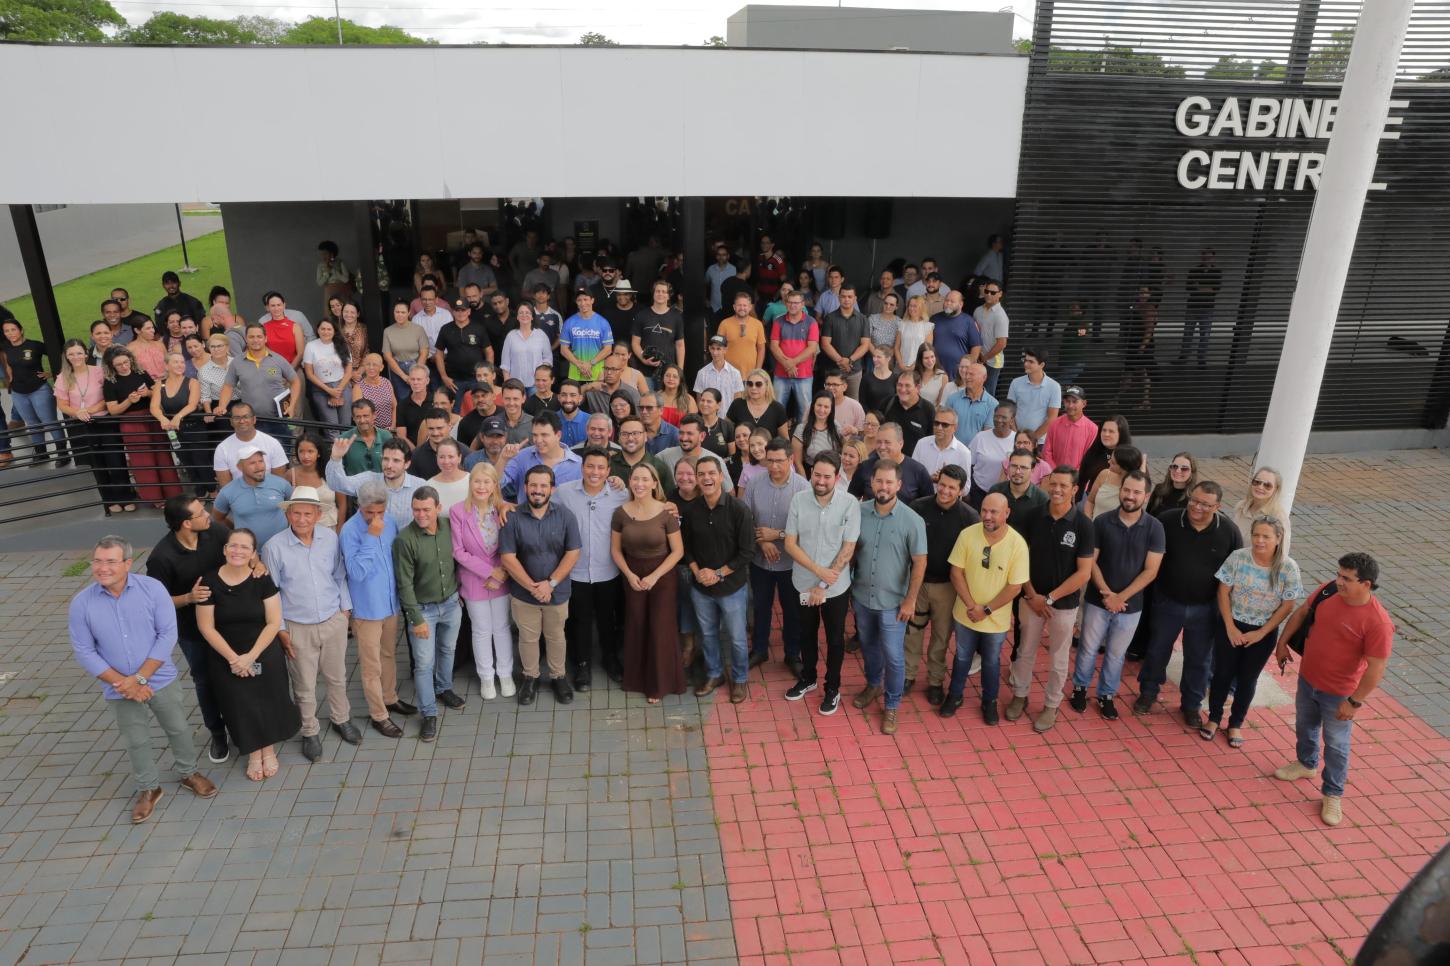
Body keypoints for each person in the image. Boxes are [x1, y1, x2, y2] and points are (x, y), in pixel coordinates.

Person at [69, 535, 218, 823]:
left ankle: (189, 773)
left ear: (127, 563)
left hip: (159, 679)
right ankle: (149, 788)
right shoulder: (81, 604)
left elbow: (167, 635)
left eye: (110, 561)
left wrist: (139, 678)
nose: (102, 568)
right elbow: (84, 651)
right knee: (136, 740)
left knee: (177, 729)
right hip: (119, 688)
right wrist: (124, 683)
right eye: (97, 561)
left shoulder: (152, 590)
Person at [1272, 552, 1394, 827]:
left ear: (1366, 584)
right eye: (1339, 575)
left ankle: (1333, 793)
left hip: (1340, 693)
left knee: (1337, 746)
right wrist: (1282, 643)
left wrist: (1354, 702)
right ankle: (1306, 764)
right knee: (1305, 725)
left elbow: (1376, 668)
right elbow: (1303, 611)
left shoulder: (1378, 623)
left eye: (1346, 578)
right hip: (1308, 680)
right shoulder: (1328, 591)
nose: (1338, 581)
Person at [194, 527, 301, 781]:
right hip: (226, 657)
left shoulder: (261, 580)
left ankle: (268, 749)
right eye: (233, 545)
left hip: (262, 652)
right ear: (224, 549)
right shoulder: (209, 581)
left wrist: (251, 656)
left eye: (244, 547)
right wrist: (235, 659)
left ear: (254, 553)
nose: (237, 551)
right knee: (240, 704)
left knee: (268, 699)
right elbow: (205, 626)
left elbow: (274, 622)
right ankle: (253, 752)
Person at [1136, 481, 1243, 727]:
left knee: (1199, 659)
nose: (1197, 507)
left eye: (1205, 504)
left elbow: (1234, 574)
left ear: (1217, 506)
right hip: (1168, 602)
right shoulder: (1167, 521)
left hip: (1206, 608)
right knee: (1157, 650)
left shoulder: (1229, 532)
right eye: (1194, 500)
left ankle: (1191, 705)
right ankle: (1148, 693)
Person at [261, 486, 357, 762]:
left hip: (333, 619)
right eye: (296, 513)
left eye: (307, 513)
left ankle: (341, 719)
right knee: (303, 683)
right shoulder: (274, 547)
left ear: (317, 515)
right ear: (288, 514)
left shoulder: (330, 538)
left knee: (337, 676)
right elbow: (271, 593)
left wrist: (345, 610)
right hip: (296, 626)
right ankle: (309, 730)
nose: (302, 519)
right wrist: (279, 629)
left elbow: (339, 576)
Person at [146, 494, 237, 766]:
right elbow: (155, 604)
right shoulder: (161, 557)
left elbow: (240, 551)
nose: (208, 514)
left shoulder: (216, 532)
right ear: (186, 524)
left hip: (229, 622)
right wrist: (188, 598)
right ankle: (218, 734)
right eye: (200, 513)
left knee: (235, 674)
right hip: (192, 632)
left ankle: (242, 727)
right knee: (205, 681)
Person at [1069, 472, 1164, 718]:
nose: (1130, 496)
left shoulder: (1155, 528)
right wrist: (1107, 594)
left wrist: (1121, 597)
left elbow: (1151, 570)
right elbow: (1091, 562)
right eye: (1127, 490)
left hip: (1130, 607)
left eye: (1136, 492)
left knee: (1116, 653)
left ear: (1146, 496)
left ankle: (1106, 695)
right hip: (1097, 601)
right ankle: (1079, 688)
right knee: (1088, 648)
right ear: (1120, 490)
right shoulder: (1101, 522)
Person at [1007, 467, 1095, 732]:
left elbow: (1084, 573)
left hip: (1063, 605)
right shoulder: (1034, 516)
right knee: (1024, 651)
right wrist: (1032, 595)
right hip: (1030, 599)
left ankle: (1051, 705)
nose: (1057, 490)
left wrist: (1050, 598)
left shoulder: (1083, 525)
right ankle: (1019, 695)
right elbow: (1019, 559)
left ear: (1075, 490)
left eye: (1063, 486)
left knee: (1058, 658)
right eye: (1053, 484)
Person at [1204, 515, 1303, 747]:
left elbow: (1288, 605)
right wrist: (1229, 627)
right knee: (1221, 674)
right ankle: (1213, 718)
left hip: (1262, 632)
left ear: (1278, 538)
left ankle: (1236, 723)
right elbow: (1223, 592)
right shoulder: (1238, 557)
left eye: (1266, 536)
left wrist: (1261, 633)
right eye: (1256, 535)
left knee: (1248, 679)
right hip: (1232, 625)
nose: (1259, 540)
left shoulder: (1288, 568)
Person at [850, 460, 927, 735]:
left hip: (894, 604)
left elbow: (920, 563)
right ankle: (873, 684)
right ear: (872, 482)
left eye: (889, 482)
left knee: (894, 657)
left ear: (899, 485)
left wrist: (910, 600)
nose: (883, 487)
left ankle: (891, 704)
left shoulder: (912, 520)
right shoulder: (858, 512)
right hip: (861, 597)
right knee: (869, 647)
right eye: (879, 481)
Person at [782, 452, 861, 715]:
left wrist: (824, 585)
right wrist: (817, 574)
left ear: (837, 477)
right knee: (806, 633)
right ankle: (808, 678)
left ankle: (832, 687)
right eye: (817, 474)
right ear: (811, 472)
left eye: (828, 476)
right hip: (803, 582)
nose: (821, 480)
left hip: (835, 588)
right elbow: (790, 543)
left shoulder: (850, 504)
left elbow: (848, 549)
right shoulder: (798, 500)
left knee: (835, 638)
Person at [940, 493, 1029, 724]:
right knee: (961, 657)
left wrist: (986, 610)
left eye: (994, 512)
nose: (987, 516)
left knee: (991, 661)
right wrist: (972, 606)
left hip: (995, 620)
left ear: (1006, 513)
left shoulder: (1017, 544)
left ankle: (989, 701)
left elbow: (1015, 587)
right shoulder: (967, 535)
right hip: (965, 614)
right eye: (984, 511)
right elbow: (956, 572)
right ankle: (955, 695)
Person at [500, 465, 583, 705]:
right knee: (528, 637)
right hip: (523, 594)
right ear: (525, 488)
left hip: (557, 592)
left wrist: (550, 584)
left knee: (556, 636)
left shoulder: (565, 516)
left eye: (543, 486)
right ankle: (530, 677)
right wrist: (532, 587)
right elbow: (508, 557)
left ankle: (558, 676)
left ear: (552, 489)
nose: (537, 490)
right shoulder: (512, 517)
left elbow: (573, 552)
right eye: (533, 485)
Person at [680, 456, 757, 704]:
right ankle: (714, 674)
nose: (706, 478)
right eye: (701, 474)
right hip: (701, 587)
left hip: (731, 588)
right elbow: (686, 547)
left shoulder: (738, 510)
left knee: (736, 637)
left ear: (721, 476)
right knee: (708, 634)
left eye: (711, 473)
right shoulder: (692, 510)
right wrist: (697, 571)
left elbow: (747, 552)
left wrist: (719, 573)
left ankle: (740, 679)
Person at [339, 481, 411, 739]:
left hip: (390, 603)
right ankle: (379, 715)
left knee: (389, 654)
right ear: (360, 506)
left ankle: (390, 698)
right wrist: (371, 536)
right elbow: (356, 573)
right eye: (370, 512)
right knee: (372, 666)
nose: (376, 517)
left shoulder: (390, 521)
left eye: (380, 512)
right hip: (366, 609)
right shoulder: (350, 531)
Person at [611, 463, 686, 703]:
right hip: (632, 575)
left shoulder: (666, 513)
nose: (639, 484)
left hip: (662, 576)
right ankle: (636, 679)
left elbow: (677, 551)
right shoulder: (620, 512)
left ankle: (659, 685)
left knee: (660, 627)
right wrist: (630, 575)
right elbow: (615, 550)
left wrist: (655, 576)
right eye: (635, 479)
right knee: (636, 624)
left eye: (645, 479)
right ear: (630, 482)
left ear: (655, 483)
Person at [904, 465, 980, 704]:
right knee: (912, 632)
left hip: (948, 586)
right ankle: (908, 674)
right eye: (943, 484)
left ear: (961, 490)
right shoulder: (918, 507)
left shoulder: (970, 518)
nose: (945, 491)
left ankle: (935, 681)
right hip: (918, 582)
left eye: (952, 488)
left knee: (941, 636)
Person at [393, 486, 463, 742]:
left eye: (426, 509)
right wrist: (416, 619)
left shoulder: (449, 527)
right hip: (424, 610)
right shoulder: (405, 540)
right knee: (423, 664)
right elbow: (404, 584)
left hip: (452, 603)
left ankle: (444, 688)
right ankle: (429, 713)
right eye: (416, 509)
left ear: (438, 508)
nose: (420, 514)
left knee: (448, 650)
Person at [556, 448, 629, 689]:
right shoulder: (565, 493)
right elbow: (542, 506)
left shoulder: (621, 494)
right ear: (582, 467)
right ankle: (582, 664)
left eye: (600, 467)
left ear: (609, 471)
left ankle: (610, 659)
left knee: (608, 619)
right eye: (590, 466)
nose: (594, 472)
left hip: (608, 570)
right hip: (575, 571)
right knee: (579, 620)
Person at [742, 438, 809, 675]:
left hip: (791, 564)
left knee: (792, 611)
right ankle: (759, 649)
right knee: (761, 607)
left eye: (780, 461)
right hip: (760, 562)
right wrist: (763, 540)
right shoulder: (754, 484)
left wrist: (778, 534)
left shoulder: (803, 488)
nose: (774, 466)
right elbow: (745, 520)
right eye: (769, 461)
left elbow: (808, 529)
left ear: (791, 459)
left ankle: (792, 654)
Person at [451, 463, 516, 700]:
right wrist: (490, 572)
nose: (481, 486)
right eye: (477, 481)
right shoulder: (458, 511)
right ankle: (486, 677)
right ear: (470, 484)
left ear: (494, 485)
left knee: (501, 627)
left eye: (486, 482)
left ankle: (505, 673)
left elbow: (511, 545)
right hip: (474, 579)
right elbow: (459, 551)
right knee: (480, 630)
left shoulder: (503, 510)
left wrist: (502, 572)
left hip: (502, 579)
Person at [57, 338, 134, 512]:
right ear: (66, 357)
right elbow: (61, 404)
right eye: (71, 354)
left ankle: (126, 496)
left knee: (116, 460)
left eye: (79, 353)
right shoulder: (63, 377)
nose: (76, 357)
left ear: (86, 353)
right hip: (82, 425)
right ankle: (109, 500)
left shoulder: (99, 371)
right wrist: (77, 413)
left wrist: (90, 410)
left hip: (105, 421)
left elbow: (108, 397)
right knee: (97, 463)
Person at [102, 345, 184, 507]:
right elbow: (113, 410)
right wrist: (128, 401)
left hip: (152, 417)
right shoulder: (110, 382)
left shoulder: (141, 373)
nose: (124, 366)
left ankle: (173, 494)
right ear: (112, 366)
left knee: (163, 455)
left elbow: (157, 392)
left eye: (126, 362)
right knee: (143, 460)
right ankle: (155, 498)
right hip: (131, 422)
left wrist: (147, 393)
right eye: (119, 364)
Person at [217, 323, 302, 447]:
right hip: (251, 421)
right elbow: (228, 386)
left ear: (265, 338)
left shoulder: (278, 359)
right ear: (246, 339)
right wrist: (222, 406)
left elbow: (295, 381)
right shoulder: (237, 362)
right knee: (255, 459)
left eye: (259, 336)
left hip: (279, 420)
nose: (255, 340)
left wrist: (292, 405)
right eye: (251, 337)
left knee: (283, 458)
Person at [2, 318, 67, 463]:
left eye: (13, 329)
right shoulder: (6, 348)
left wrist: (52, 372)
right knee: (32, 424)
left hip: (39, 390)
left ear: (21, 330)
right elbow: (8, 365)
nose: (10, 333)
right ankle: (41, 454)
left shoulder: (35, 346)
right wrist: (10, 380)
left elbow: (60, 355)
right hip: (19, 393)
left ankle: (63, 454)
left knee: (50, 422)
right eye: (7, 331)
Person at [327, 436, 428, 528]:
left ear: (407, 464)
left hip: (405, 546)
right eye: (385, 459)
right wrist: (336, 458)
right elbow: (337, 484)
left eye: (396, 461)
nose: (389, 465)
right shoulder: (368, 480)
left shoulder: (420, 486)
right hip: (373, 543)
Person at [150, 350, 211, 498]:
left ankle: (212, 488)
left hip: (194, 428)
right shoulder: (159, 384)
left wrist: (178, 416)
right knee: (187, 461)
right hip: (174, 432)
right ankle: (200, 492)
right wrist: (162, 419)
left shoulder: (192, 382)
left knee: (201, 460)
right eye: (175, 362)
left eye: (182, 362)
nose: (180, 365)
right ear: (166, 365)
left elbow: (192, 404)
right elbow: (154, 407)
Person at [849, 423, 932, 504]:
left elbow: (928, 505)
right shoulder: (865, 467)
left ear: (900, 444)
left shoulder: (918, 471)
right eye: (878, 442)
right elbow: (851, 500)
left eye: (887, 442)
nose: (882, 447)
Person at [768, 290, 818, 421]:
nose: (793, 305)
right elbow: (773, 346)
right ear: (786, 303)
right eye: (790, 302)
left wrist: (791, 363)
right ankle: (778, 439)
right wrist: (787, 364)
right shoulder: (778, 322)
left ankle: (802, 439)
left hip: (804, 374)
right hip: (781, 373)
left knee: (805, 410)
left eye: (796, 303)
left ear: (803, 304)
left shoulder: (811, 322)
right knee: (776, 409)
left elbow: (812, 348)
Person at [213, 401, 288, 488]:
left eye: (246, 417)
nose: (242, 421)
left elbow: (279, 482)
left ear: (254, 419)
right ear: (231, 422)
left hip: (269, 494)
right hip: (238, 497)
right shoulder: (222, 449)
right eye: (237, 418)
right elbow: (226, 488)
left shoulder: (273, 443)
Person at [303, 319, 353, 432]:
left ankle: (347, 449)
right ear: (318, 330)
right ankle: (334, 449)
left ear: (334, 331)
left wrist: (337, 391)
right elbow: (309, 374)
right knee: (331, 427)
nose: (326, 332)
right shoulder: (311, 346)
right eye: (323, 329)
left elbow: (348, 371)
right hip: (321, 389)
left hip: (343, 387)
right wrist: (330, 391)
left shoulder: (342, 345)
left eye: (329, 329)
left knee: (346, 426)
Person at [1230, 466, 1293, 553]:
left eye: (1267, 485)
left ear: (1276, 489)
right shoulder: (1240, 507)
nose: (1260, 487)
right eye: (1257, 482)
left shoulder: (1278, 517)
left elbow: (1282, 552)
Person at [967, 403, 1018, 508]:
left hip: (1006, 493)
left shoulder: (1017, 440)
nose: (999, 420)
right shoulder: (980, 437)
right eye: (996, 416)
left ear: (1012, 419)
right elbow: (968, 464)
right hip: (979, 491)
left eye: (1004, 417)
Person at [1007, 347, 1061, 443]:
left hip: (1040, 442)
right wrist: (1016, 436)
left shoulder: (1054, 387)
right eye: (1025, 360)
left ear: (1042, 365)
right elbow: (1009, 412)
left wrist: (1032, 440)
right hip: (1016, 439)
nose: (1026, 364)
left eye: (1031, 362)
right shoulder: (1015, 383)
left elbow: (1052, 418)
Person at [382, 299, 432, 400]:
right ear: (393, 312)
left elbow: (424, 352)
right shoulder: (388, 331)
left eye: (403, 312)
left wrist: (417, 370)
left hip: (416, 364)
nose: (400, 315)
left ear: (409, 313)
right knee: (403, 399)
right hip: (398, 368)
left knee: (421, 397)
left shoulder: (418, 329)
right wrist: (404, 376)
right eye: (397, 312)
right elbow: (387, 356)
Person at [1040, 385, 1096, 471]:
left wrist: (1073, 476)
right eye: (1067, 401)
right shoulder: (1054, 424)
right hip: (1054, 477)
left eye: (1074, 402)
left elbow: (1089, 458)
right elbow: (1046, 452)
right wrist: (1056, 472)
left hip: (1078, 480)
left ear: (1084, 403)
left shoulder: (1092, 429)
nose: (1070, 405)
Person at [1180, 248, 1221, 365]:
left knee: (1205, 334)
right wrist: (1206, 287)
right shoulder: (1194, 270)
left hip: (1207, 308)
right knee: (1188, 333)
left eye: (1209, 256)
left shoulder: (1217, 272)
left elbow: (1215, 290)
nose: (1206, 258)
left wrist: (1198, 286)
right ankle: (1184, 357)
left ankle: (1201, 358)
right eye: (1204, 256)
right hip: (1193, 306)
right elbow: (1188, 287)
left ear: (1213, 258)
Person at [910, 406, 972, 481]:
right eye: (936, 423)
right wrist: (929, 479)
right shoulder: (922, 443)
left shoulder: (964, 453)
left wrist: (946, 480)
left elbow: (965, 486)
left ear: (955, 428)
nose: (939, 428)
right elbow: (911, 473)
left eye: (945, 425)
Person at [716, 291, 768, 378]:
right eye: (739, 305)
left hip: (750, 375)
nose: (742, 308)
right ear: (734, 307)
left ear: (750, 307)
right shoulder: (724, 324)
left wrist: (757, 370)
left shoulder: (757, 324)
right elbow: (718, 348)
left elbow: (761, 349)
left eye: (745, 305)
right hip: (728, 374)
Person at [882, 370, 936, 454]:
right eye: (900, 385)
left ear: (917, 388)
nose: (903, 389)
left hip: (915, 463)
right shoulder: (888, 403)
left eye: (907, 386)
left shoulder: (928, 410)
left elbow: (931, 441)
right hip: (889, 461)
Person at [931, 291, 981, 380]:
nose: (948, 303)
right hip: (935, 371)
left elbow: (976, 346)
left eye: (952, 301)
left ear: (961, 304)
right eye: (946, 300)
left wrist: (970, 367)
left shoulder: (968, 321)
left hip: (958, 374)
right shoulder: (934, 319)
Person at [791, 391, 842, 476]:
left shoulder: (836, 427)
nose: (822, 410)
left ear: (831, 409)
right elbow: (797, 462)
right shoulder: (801, 429)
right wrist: (805, 484)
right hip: (809, 473)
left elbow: (844, 451)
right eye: (819, 405)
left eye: (826, 407)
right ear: (813, 406)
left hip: (832, 474)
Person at [945, 361, 997, 445]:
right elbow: (945, 426)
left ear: (984, 377)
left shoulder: (993, 404)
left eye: (971, 374)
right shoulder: (952, 399)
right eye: (966, 374)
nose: (967, 377)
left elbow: (988, 435)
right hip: (953, 451)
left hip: (977, 453)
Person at [727, 369, 789, 439]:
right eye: (750, 384)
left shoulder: (777, 409)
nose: (753, 388)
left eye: (758, 384)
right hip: (740, 449)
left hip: (767, 450)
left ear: (767, 385)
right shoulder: (737, 404)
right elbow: (726, 430)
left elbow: (785, 440)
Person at [990, 447, 1049, 520]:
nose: (1017, 471)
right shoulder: (996, 491)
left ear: (1032, 470)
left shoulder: (1041, 499)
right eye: (1014, 466)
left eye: (1023, 467)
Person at [975, 280, 1009, 397]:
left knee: (988, 393)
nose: (989, 294)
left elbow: (1002, 344)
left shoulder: (1001, 315)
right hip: (979, 358)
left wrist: (985, 358)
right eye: (987, 291)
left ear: (1000, 294)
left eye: (993, 293)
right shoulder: (978, 311)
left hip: (993, 362)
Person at [352, 354, 397, 434]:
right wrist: (377, 432)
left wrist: (392, 427)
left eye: (375, 364)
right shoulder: (358, 388)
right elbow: (358, 414)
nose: (371, 367)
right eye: (368, 364)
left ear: (381, 367)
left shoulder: (386, 382)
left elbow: (394, 407)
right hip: (370, 432)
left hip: (390, 430)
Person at [694, 335, 745, 402]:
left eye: (718, 349)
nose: (715, 353)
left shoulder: (735, 373)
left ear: (725, 350)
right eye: (713, 348)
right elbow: (699, 401)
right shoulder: (702, 373)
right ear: (709, 349)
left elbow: (737, 401)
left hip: (729, 412)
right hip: (708, 412)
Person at [894, 294, 934, 370]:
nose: (911, 308)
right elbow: (896, 347)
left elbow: (927, 350)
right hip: (901, 366)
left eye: (915, 306)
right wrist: (901, 364)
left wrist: (914, 365)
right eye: (910, 306)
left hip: (919, 366)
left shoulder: (927, 326)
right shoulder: (902, 324)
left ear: (921, 308)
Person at [858, 345, 897, 417]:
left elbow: (897, 402)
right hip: (871, 420)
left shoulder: (896, 378)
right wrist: (872, 417)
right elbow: (862, 402)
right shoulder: (866, 378)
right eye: (874, 356)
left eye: (878, 357)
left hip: (890, 420)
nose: (875, 359)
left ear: (888, 358)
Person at [823, 371, 865, 438]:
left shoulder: (855, 406)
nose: (830, 388)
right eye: (828, 384)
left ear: (844, 387)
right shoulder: (816, 405)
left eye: (835, 385)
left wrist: (855, 431)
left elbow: (863, 433)